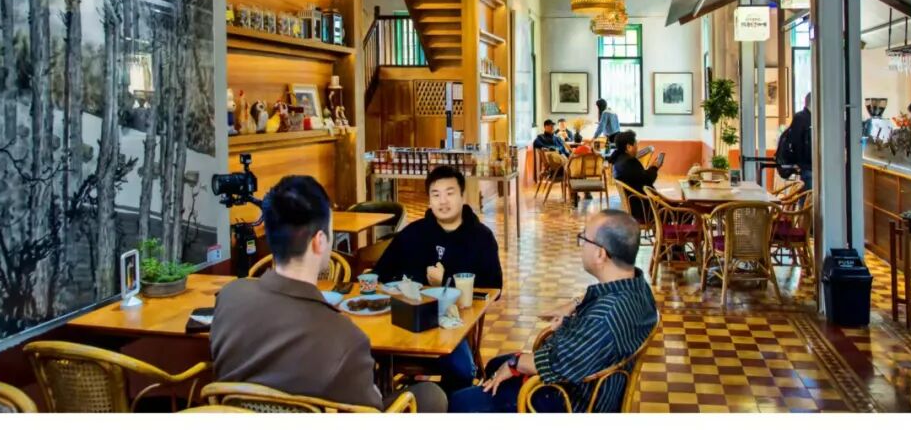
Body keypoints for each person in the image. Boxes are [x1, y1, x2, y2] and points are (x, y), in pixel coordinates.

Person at [211, 175, 447, 413]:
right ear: (320, 241)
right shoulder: (346, 338)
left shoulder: (229, 298)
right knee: (431, 396)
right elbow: (369, 411)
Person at [448, 210, 657, 413]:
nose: (581, 244)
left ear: (600, 254)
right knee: (494, 365)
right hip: (588, 375)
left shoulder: (604, 317)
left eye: (584, 238)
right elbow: (585, 342)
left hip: (569, 400)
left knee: (459, 403)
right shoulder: (639, 288)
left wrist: (514, 363)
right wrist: (573, 308)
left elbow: (555, 364)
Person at [373, 165, 503, 392]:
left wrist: (446, 283)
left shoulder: (481, 237)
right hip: (406, 325)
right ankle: (398, 403)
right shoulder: (413, 234)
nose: (443, 201)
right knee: (367, 355)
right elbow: (380, 273)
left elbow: (495, 288)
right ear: (429, 200)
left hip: (454, 328)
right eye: (436, 194)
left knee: (461, 370)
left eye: (450, 193)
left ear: (462, 196)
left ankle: (442, 403)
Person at [608, 130, 658, 223]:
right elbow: (648, 180)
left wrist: (651, 169)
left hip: (636, 205)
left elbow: (640, 177)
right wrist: (655, 167)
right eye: (636, 144)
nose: (637, 147)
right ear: (629, 147)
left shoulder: (618, 160)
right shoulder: (629, 162)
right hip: (645, 209)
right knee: (684, 212)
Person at [785, 93, 814, 192]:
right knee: (808, 195)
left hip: (809, 166)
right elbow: (795, 143)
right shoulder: (801, 118)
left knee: (808, 195)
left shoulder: (808, 118)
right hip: (807, 166)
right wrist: (800, 162)